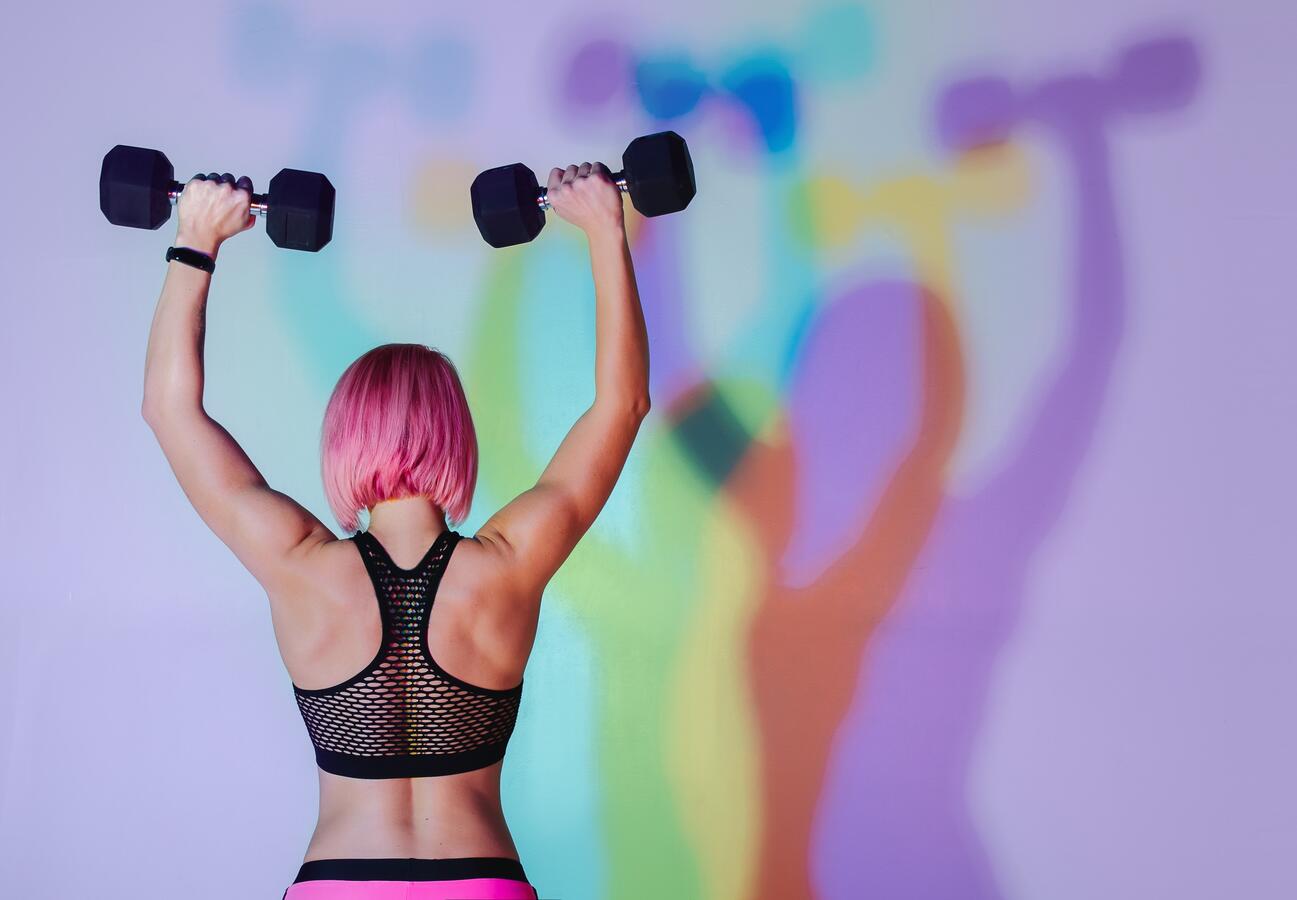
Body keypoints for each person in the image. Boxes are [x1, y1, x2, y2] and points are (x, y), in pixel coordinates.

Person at [141, 162, 651, 899]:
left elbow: (170, 411)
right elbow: (621, 405)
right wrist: (605, 227)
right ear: (457, 437)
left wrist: (197, 238)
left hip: (340, 883)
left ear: (342, 440)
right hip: (480, 881)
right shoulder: (509, 564)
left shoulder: (297, 563)